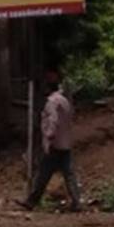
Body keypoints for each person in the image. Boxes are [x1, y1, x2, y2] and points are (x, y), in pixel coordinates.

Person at [20, 72, 81, 212]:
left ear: (48, 88)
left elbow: (53, 120)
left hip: (54, 144)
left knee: (43, 174)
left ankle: (31, 201)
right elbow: (70, 118)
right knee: (69, 174)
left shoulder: (52, 102)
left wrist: (49, 137)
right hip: (65, 143)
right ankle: (76, 202)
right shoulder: (65, 101)